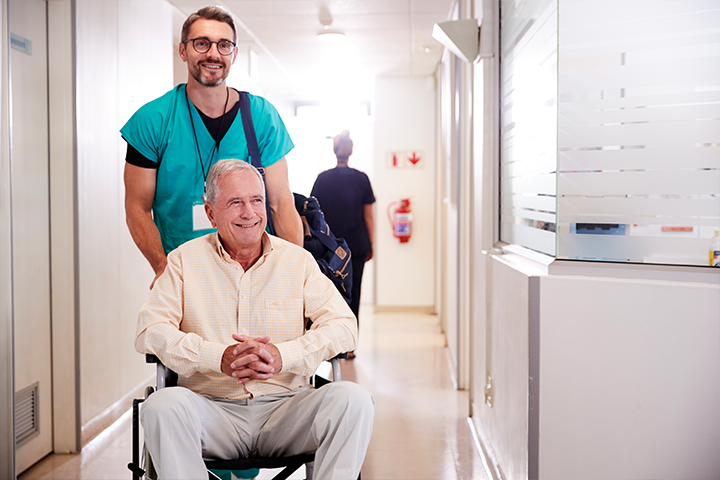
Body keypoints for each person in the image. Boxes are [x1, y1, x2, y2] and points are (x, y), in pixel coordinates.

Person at [135, 159, 375, 480]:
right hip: (211, 411)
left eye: (256, 200)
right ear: (210, 213)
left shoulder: (298, 262)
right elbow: (150, 331)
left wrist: (283, 356)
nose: (249, 212)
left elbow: (344, 327)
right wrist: (216, 357)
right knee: (161, 407)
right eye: (235, 203)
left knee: (354, 400)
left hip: (286, 411)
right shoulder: (183, 261)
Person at [121, 6, 302, 289]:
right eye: (201, 43)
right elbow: (136, 206)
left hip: (256, 275)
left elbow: (280, 202)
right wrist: (162, 266)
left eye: (224, 45)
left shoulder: (261, 117)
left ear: (234, 54)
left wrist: (296, 272)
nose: (213, 54)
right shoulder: (153, 120)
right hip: (185, 275)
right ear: (183, 51)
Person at [311, 130, 375, 358]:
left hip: (328, 248)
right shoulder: (361, 178)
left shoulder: (322, 179)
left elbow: (312, 214)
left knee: (329, 294)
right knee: (354, 291)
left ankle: (332, 345)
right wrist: (371, 243)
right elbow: (368, 215)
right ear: (351, 151)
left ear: (334, 150)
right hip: (356, 245)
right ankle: (348, 345)